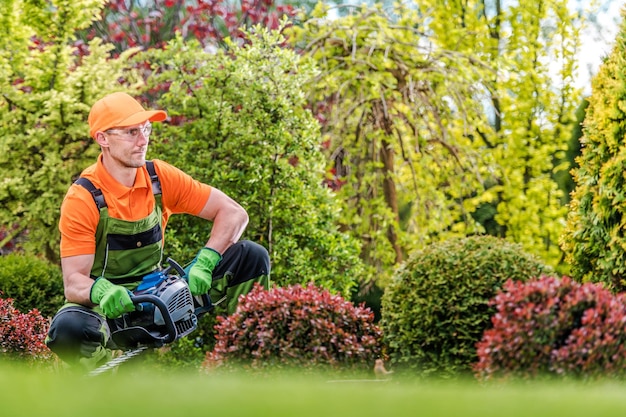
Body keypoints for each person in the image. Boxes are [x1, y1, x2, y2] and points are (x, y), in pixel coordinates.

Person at [45, 92, 270, 371]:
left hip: (158, 297)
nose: (143, 140)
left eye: (145, 129)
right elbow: (74, 281)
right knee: (69, 329)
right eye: (131, 132)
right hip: (111, 311)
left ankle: (254, 363)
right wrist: (102, 291)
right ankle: (106, 380)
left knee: (251, 256)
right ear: (103, 138)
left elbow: (234, 213)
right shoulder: (84, 198)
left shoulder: (158, 178)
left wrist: (207, 260)